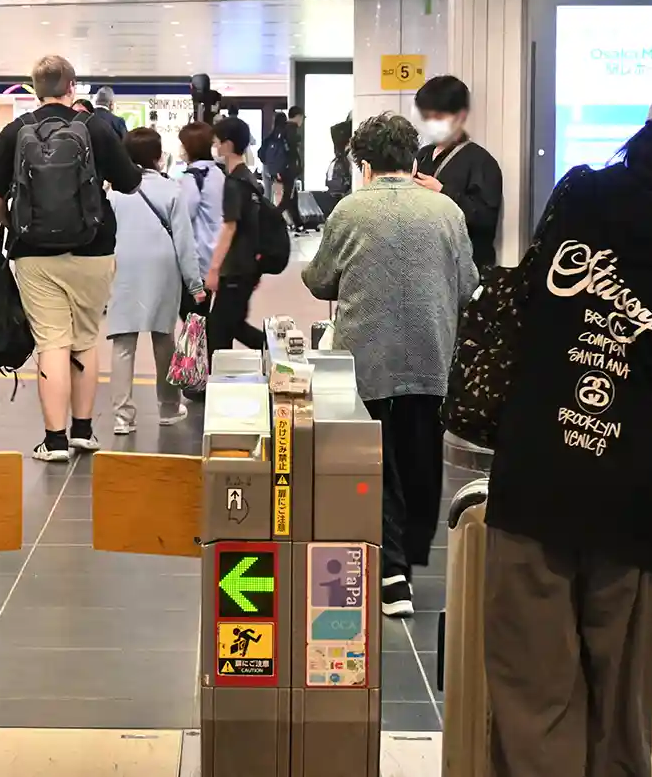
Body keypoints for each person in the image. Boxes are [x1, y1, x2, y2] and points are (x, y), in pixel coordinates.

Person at [480, 76, 652, 777]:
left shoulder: (582, 195)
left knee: (532, 695)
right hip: (641, 493)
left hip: (538, 472)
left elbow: (529, 309)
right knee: (622, 706)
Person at [302, 112, 478, 618]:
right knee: (420, 457)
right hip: (431, 355)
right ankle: (413, 558)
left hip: (367, 359)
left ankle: (392, 571)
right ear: (411, 158)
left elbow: (320, 280)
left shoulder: (350, 211)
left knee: (376, 463)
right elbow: (467, 285)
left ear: (364, 163)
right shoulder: (446, 211)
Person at [0, 55, 141, 461]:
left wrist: (15, 225)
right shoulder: (95, 128)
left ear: (34, 88)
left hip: (34, 254)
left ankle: (54, 441)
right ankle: (83, 431)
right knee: (86, 337)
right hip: (93, 247)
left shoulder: (15, 131)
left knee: (51, 342)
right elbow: (130, 181)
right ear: (72, 86)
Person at [107, 127, 205, 435]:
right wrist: (195, 284)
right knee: (164, 340)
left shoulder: (114, 193)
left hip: (124, 266)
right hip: (163, 267)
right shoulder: (171, 189)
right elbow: (185, 243)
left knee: (123, 342)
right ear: (157, 157)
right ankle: (168, 408)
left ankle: (123, 417)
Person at [412, 75, 503, 269]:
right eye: (426, 116)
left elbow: (485, 221)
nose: (430, 123)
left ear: (460, 116)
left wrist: (443, 192)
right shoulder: (421, 156)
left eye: (437, 117)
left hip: (464, 272)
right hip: (424, 268)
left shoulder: (482, 162)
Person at [207, 116, 265, 362]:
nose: (216, 148)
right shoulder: (250, 180)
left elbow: (229, 228)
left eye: (218, 142)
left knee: (219, 330)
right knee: (232, 324)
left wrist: (213, 269)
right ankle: (225, 381)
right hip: (249, 266)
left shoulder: (233, 183)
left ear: (228, 145)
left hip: (235, 268)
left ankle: (217, 385)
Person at [176, 120, 226, 312]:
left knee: (192, 315)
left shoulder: (192, 178)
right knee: (202, 314)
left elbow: (183, 216)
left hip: (197, 257)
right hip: (216, 253)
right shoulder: (217, 173)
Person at [276, 106, 305, 232]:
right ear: (298, 116)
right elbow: (293, 152)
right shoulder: (292, 130)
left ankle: (298, 224)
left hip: (284, 168)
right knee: (288, 197)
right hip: (289, 169)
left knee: (292, 197)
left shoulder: (282, 129)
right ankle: (272, 218)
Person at [258, 111, 290, 199]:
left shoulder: (269, 137)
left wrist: (267, 162)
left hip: (266, 168)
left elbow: (260, 153)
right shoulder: (284, 137)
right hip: (278, 171)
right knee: (279, 198)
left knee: (268, 196)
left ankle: (267, 211)